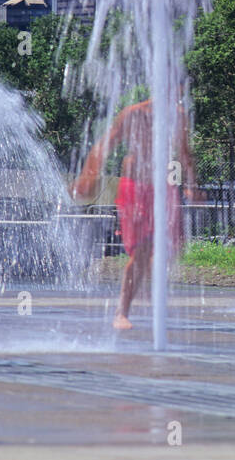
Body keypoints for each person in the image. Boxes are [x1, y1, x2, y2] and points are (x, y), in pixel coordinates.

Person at [70, 90, 201, 330]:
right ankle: (122, 312)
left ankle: (146, 289)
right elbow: (104, 146)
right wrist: (88, 177)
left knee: (172, 246)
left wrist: (193, 186)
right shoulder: (133, 114)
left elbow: (185, 153)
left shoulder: (178, 116)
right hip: (135, 188)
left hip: (164, 187)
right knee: (141, 250)